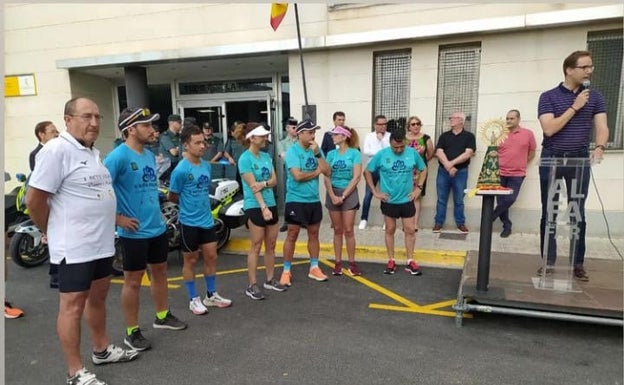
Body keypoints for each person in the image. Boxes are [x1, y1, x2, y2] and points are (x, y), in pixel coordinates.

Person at [26, 97, 138, 385]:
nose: (94, 123)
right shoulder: (57, 150)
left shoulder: (91, 152)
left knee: (98, 298)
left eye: (98, 117)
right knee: (73, 305)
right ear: (67, 119)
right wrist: (48, 230)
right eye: (86, 116)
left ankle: (101, 350)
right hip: (73, 246)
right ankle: (74, 371)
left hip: (100, 243)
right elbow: (35, 200)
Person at [105, 107, 187, 353]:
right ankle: (132, 332)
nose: (153, 130)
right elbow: (98, 193)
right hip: (133, 233)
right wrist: (117, 218)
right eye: (147, 126)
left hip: (156, 228)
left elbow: (148, 190)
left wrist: (158, 214)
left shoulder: (149, 155)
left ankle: (162, 316)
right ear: (131, 129)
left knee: (160, 272)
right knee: (132, 281)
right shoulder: (117, 157)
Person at [537, 50, 609, 281]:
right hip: (552, 158)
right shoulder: (548, 97)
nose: (589, 71)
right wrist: (575, 107)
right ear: (569, 70)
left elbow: (602, 126)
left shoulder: (594, 96)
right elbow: (549, 129)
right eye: (584, 67)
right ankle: (548, 261)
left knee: (577, 212)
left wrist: (599, 147)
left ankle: (577, 263)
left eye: (591, 67)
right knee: (550, 210)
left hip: (579, 159)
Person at [168, 124, 232, 313]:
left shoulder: (205, 165)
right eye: (197, 143)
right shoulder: (180, 170)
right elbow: (173, 195)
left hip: (206, 220)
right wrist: (188, 204)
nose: (202, 146)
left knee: (211, 256)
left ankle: (211, 295)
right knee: (191, 260)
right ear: (186, 145)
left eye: (203, 142)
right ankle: (193, 298)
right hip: (188, 222)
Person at [364, 127, 427, 276]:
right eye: (395, 147)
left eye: (401, 147)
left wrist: (418, 188)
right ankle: (391, 259)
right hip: (389, 200)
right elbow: (367, 171)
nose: (398, 150)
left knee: (410, 230)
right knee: (390, 230)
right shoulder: (382, 154)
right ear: (390, 143)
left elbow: (423, 169)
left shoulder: (412, 153)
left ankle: (410, 260)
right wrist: (375, 192)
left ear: (405, 143)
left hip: (407, 199)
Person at [237, 123, 287, 300]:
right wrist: (263, 207)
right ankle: (252, 285)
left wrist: (264, 184)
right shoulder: (245, 159)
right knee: (256, 245)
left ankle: (270, 279)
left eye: (266, 136)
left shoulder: (266, 156)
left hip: (270, 202)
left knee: (271, 245)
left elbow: (273, 180)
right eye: (262, 136)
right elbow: (252, 186)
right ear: (252, 138)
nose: (265, 139)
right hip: (254, 205)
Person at [280, 119, 331, 286]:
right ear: (300, 133)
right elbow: (297, 176)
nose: (313, 135)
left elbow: (328, 171)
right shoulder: (292, 151)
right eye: (309, 132)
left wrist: (318, 154)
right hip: (296, 199)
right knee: (292, 234)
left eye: (314, 132)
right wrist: (317, 171)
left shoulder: (316, 150)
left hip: (313, 199)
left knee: (314, 233)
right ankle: (286, 271)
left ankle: (314, 267)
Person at [323, 126, 363, 276]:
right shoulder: (330, 154)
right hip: (333, 192)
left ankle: (352, 263)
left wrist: (344, 196)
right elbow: (326, 176)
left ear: (344, 137)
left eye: (336, 134)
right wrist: (333, 195)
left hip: (349, 193)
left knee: (348, 230)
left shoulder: (354, 153)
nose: (332, 136)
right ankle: (338, 262)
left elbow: (356, 177)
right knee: (337, 230)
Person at [492, 110, 537, 238]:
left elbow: (532, 152)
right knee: (501, 201)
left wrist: (522, 163)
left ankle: (492, 216)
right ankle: (507, 226)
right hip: (500, 173)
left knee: (510, 199)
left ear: (518, 119)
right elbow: (494, 152)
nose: (508, 121)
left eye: (511, 118)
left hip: (517, 174)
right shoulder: (501, 134)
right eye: (507, 118)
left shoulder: (528, 134)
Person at [28, 120, 61, 288]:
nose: (57, 134)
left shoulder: (58, 150)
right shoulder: (38, 154)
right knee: (52, 237)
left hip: (56, 202)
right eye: (53, 132)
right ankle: (55, 275)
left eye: (57, 131)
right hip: (48, 202)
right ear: (41, 134)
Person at [433, 111, 476, 233]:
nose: (451, 119)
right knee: (441, 198)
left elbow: (468, 153)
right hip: (443, 172)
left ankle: (460, 223)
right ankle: (438, 223)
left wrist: (451, 164)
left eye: (454, 117)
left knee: (459, 199)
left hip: (461, 172)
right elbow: (439, 152)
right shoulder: (444, 136)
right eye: (451, 117)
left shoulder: (469, 136)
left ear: (461, 121)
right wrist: (448, 166)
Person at [359, 115, 390, 230]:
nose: (383, 126)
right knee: (368, 194)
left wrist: (382, 139)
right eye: (380, 124)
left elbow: (389, 151)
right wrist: (380, 153)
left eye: (384, 124)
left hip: (385, 168)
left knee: (385, 194)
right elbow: (366, 151)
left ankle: (386, 220)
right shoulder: (369, 136)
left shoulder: (389, 136)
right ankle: (364, 219)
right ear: (375, 125)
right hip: (372, 168)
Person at [405, 116, 434, 231]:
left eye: (418, 123)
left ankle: (415, 224)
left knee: (417, 197)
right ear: (409, 126)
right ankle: (407, 223)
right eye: (413, 124)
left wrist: (422, 157)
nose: (416, 126)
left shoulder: (426, 138)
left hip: (419, 171)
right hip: (406, 170)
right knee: (406, 196)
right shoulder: (404, 138)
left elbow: (431, 153)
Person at [277, 117, 298, 232]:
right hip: (289, 172)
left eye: (297, 127)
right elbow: (284, 158)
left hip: (301, 171)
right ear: (287, 128)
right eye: (294, 127)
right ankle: (287, 220)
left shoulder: (301, 141)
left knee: (300, 193)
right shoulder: (282, 143)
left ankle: (301, 219)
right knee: (288, 195)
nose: (296, 129)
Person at [223, 121, 246, 186]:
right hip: (235, 166)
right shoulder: (231, 140)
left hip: (246, 165)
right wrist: (230, 158)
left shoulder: (247, 140)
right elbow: (226, 152)